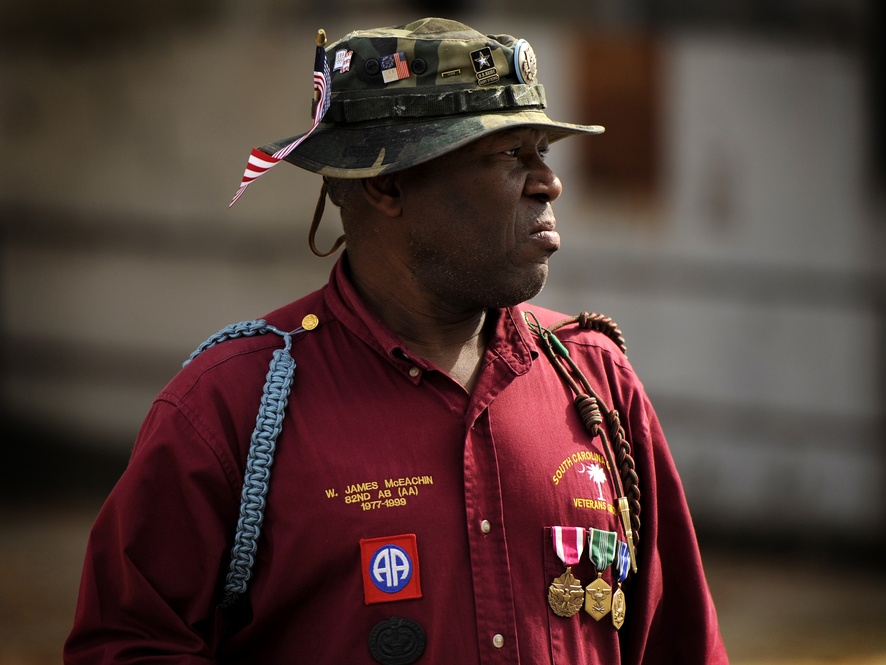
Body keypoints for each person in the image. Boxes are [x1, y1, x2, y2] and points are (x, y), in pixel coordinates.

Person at [64, 17, 728, 665]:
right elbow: (126, 643)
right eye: (506, 154)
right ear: (385, 183)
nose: (548, 182)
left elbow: (682, 643)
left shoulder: (595, 381)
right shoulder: (229, 406)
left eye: (543, 153)